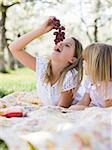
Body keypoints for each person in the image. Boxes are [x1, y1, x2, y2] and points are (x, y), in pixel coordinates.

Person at [9, 16, 83, 108]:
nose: (60, 43)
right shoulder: (43, 66)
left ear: (72, 59)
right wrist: (41, 30)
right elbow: (14, 48)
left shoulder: (70, 76)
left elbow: (61, 108)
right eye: (61, 42)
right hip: (49, 110)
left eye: (67, 45)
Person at [69, 43, 112, 110]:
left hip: (102, 112)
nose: (82, 62)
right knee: (73, 108)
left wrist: (88, 109)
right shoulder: (90, 81)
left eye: (85, 60)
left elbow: (107, 111)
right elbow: (84, 102)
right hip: (93, 109)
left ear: (95, 65)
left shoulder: (108, 87)